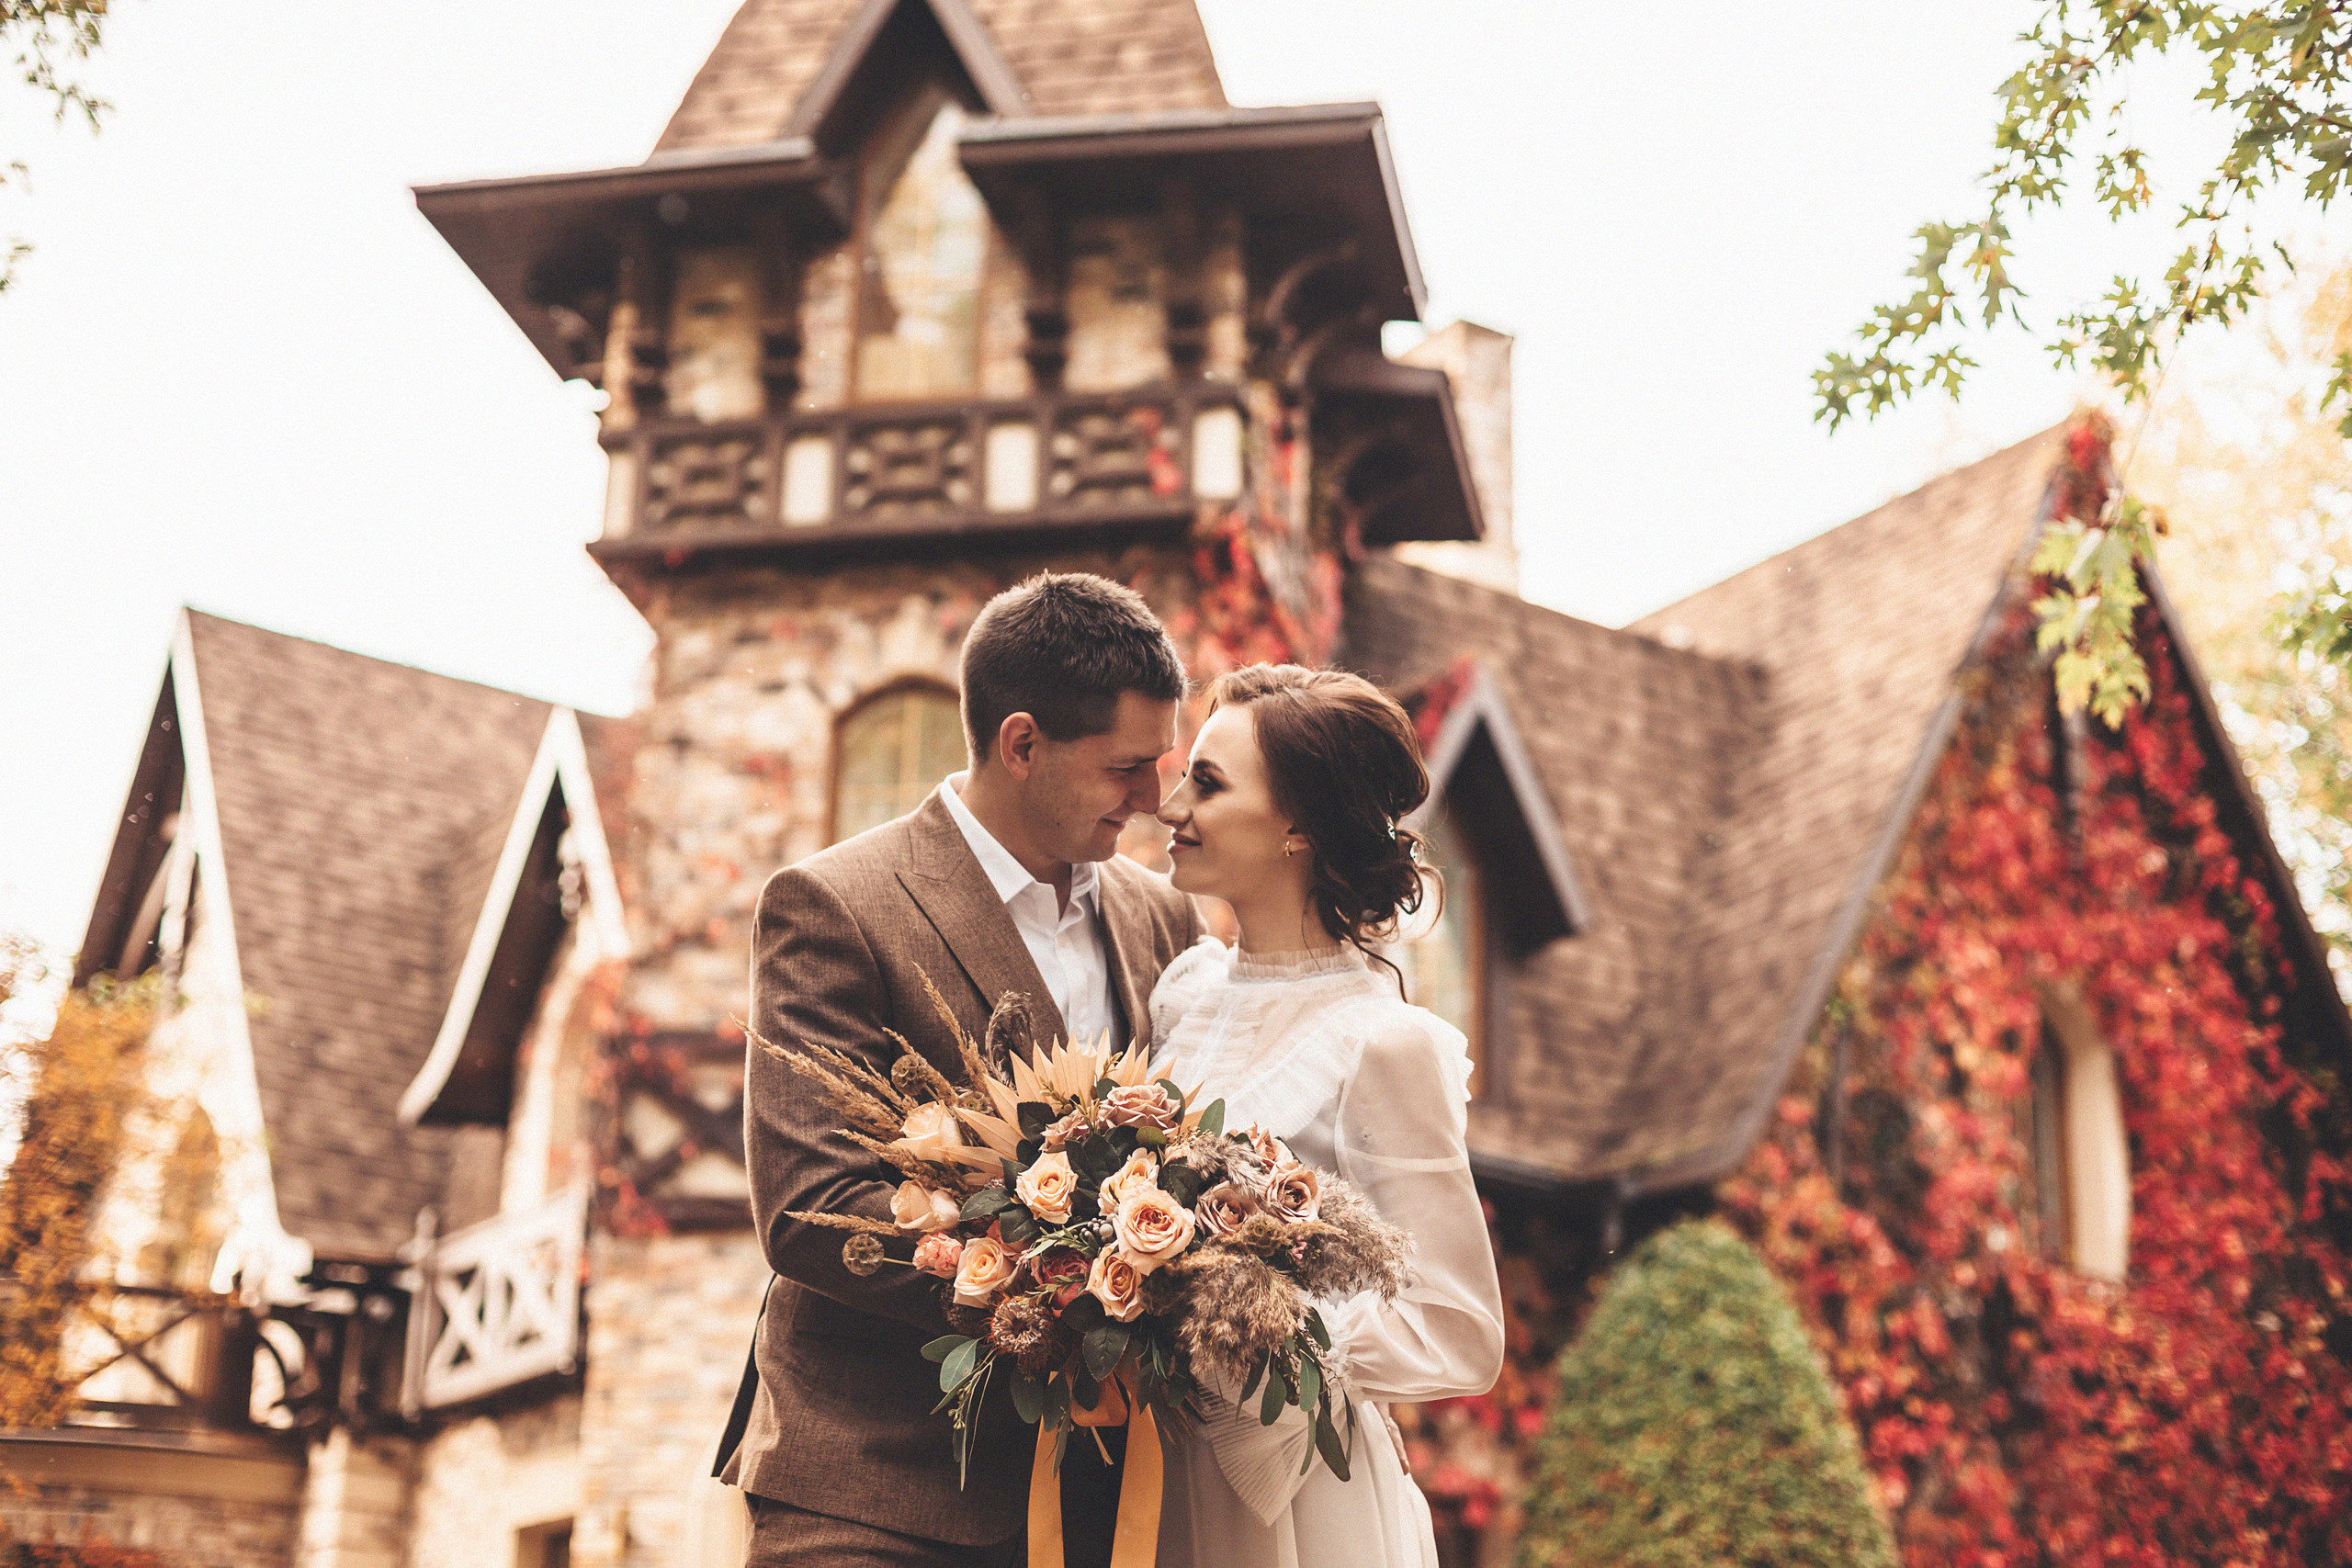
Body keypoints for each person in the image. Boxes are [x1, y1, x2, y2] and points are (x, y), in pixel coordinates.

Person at [716, 573, 1204, 1568]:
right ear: (1021, 744)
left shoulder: (1163, 918)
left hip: (1101, 1500)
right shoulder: (835, 905)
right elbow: (815, 1206)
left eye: (1160, 764)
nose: (1155, 799)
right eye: (1125, 768)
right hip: (872, 1490)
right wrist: (1073, 1294)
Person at [1148, 663, 1507, 1568]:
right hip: (1152, 1471)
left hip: (1296, 1499)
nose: (1170, 807)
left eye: (1209, 783)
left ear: (1297, 827)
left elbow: (1458, 1330)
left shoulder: (1382, 1046)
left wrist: (1252, 1330)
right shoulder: (1183, 996)